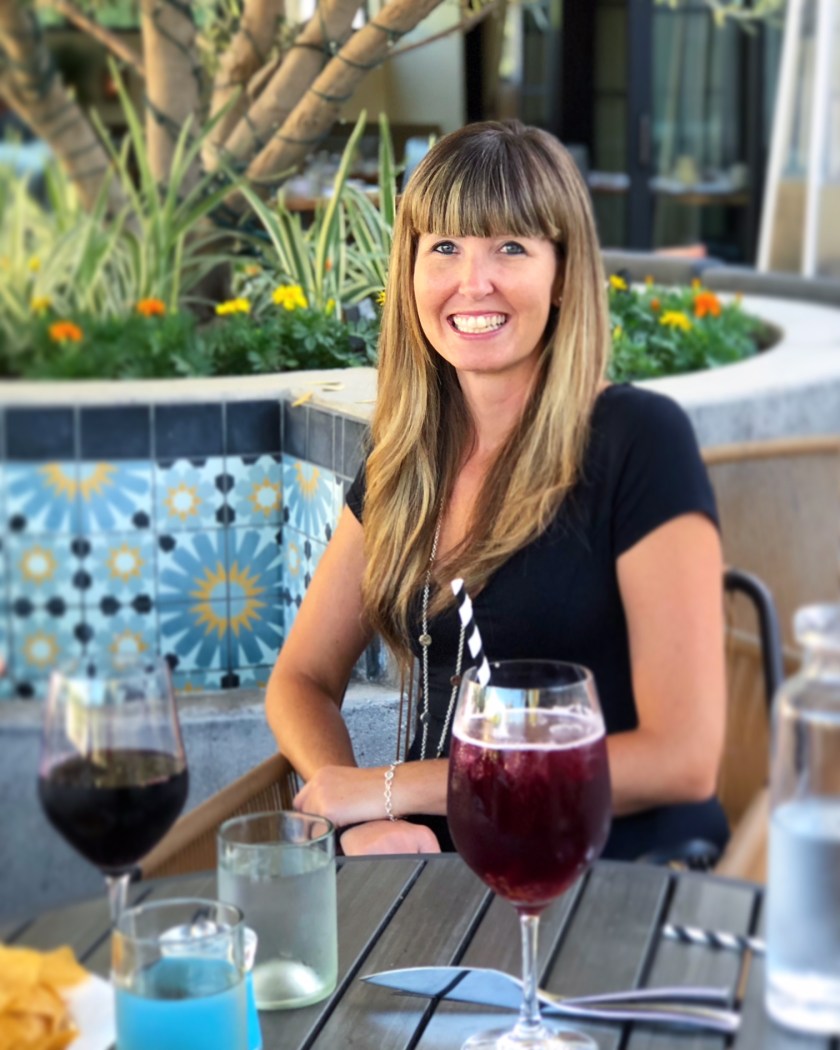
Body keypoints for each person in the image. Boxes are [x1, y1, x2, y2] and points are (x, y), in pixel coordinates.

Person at [265, 120, 728, 861]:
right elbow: (301, 678)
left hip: (611, 871)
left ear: (564, 274)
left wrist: (396, 788)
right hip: (443, 871)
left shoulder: (638, 441)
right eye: (444, 247)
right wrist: (354, 808)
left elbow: (683, 759)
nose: (471, 282)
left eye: (510, 247)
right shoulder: (405, 457)